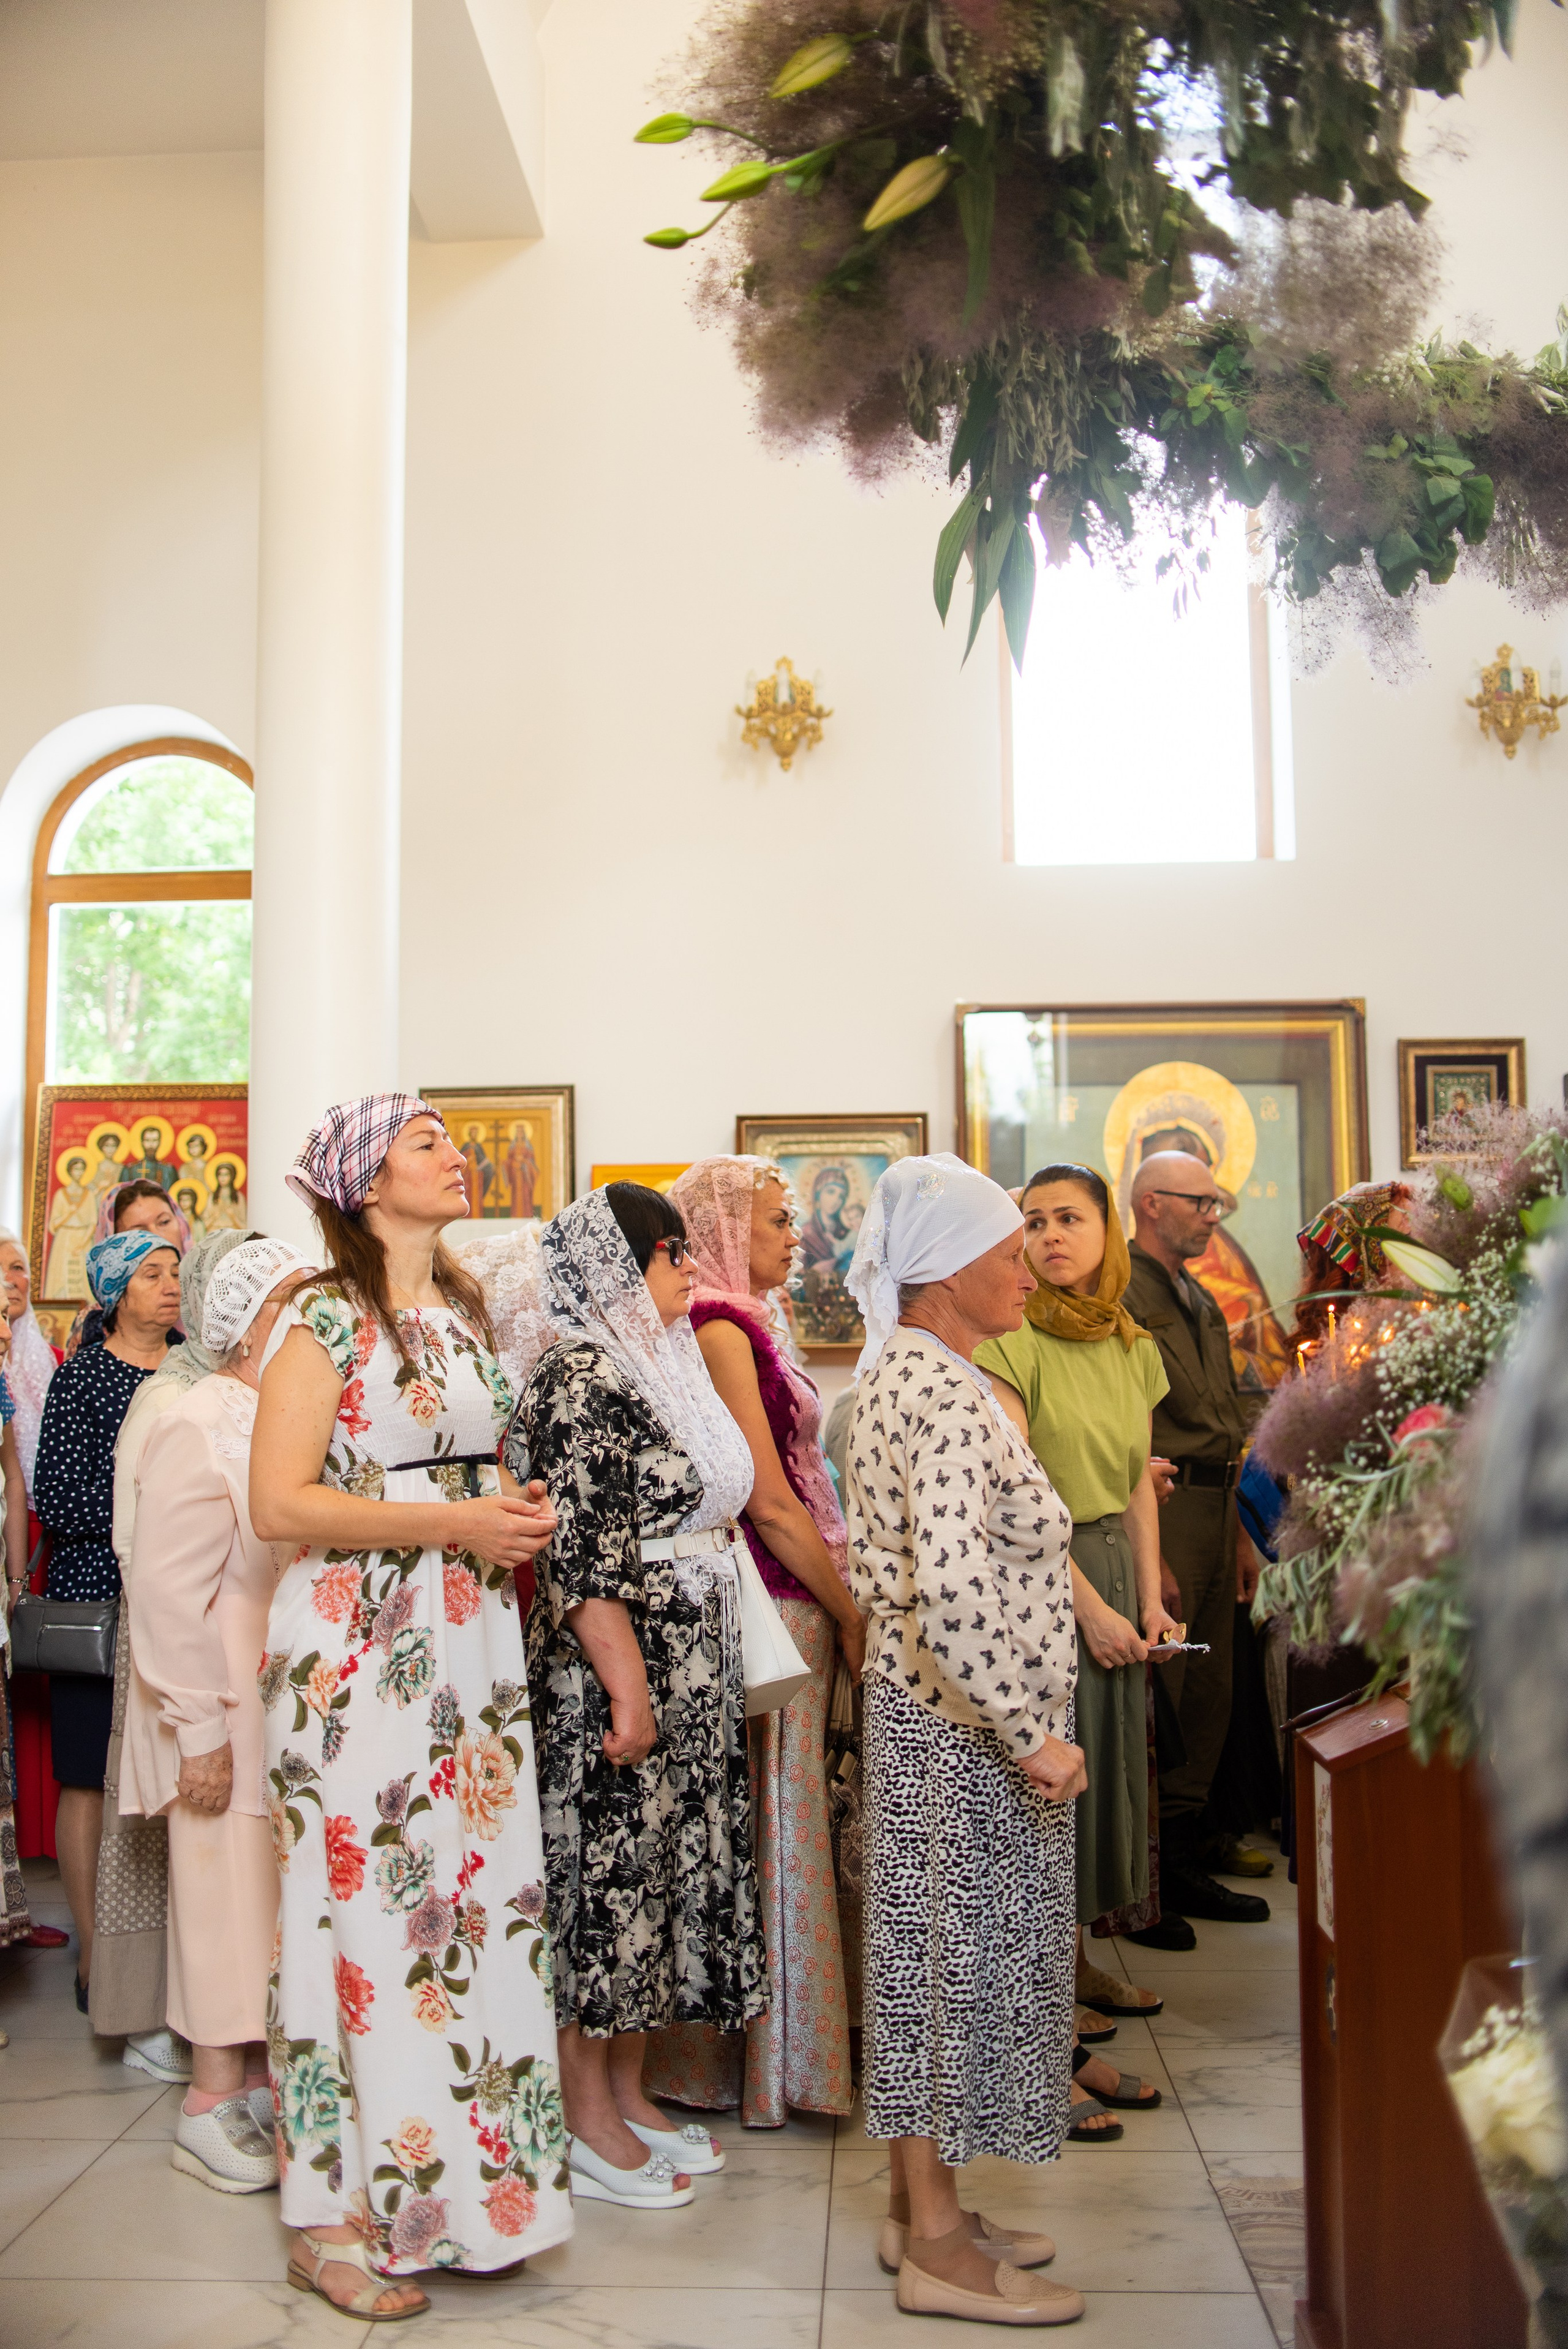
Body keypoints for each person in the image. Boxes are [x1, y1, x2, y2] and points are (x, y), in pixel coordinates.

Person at [249, 1094, 568, 2318]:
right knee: (362, 1914)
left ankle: (466, 2199)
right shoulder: (321, 1316)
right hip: (356, 1645)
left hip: (467, 1634)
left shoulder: (466, 1310)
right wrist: (454, 1521)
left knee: (471, 1910)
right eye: (425, 1142)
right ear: (366, 1183)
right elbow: (278, 1502)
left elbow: (464, 1464)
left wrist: (510, 1509)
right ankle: (329, 2218)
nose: (453, 1154)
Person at [843, 1153, 1087, 2328]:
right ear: (945, 1274)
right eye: (1009, 1252)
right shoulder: (942, 1394)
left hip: (930, 1715)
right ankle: (939, 2250)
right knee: (947, 1974)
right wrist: (1031, 1730)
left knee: (926, 1964)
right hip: (958, 1727)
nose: (1030, 1269)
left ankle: (917, 2211)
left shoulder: (913, 1371)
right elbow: (951, 1589)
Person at [508, 1183, 765, 2210]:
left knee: (653, 1880)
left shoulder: (653, 1360)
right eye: (670, 1251)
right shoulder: (579, 1375)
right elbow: (581, 1558)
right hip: (615, 1669)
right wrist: (628, 1691)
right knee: (604, 1881)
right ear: (619, 1264)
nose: (690, 1268)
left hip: (681, 1660)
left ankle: (625, 2087)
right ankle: (582, 2112)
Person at [642, 1156, 860, 2128]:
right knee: (777, 1821)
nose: (795, 1235)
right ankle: (776, 2062)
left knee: (782, 1815)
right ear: (726, 1230)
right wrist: (847, 1611)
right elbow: (769, 1501)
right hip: (776, 1596)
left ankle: (779, 2051)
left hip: (802, 1585)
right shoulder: (722, 1330)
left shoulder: (754, 1323)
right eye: (776, 1218)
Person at [975, 1164, 1178, 2070]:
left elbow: (1135, 1481)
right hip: (1043, 1575)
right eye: (1034, 1220)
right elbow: (1013, 1497)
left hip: (1112, 1564)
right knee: (1058, 1775)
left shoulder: (1133, 1343)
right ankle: (1047, 1985)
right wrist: (1089, 1608)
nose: (1051, 1235)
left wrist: (1150, 1597)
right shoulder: (1010, 1340)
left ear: (1108, 1232)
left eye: (1070, 1217)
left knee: (1113, 1771)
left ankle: (1082, 1961)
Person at [124, 1237, 311, 2194]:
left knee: (266, 1902)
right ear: (246, 1324)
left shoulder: (284, 1413)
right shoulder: (196, 1419)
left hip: (280, 1689)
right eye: (292, 1303)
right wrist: (197, 1727)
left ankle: (264, 2082)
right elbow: (165, 1591)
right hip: (216, 1688)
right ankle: (208, 2097)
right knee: (216, 1896)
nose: (310, 1320)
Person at [93, 1229, 265, 2075]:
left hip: (235, 1651)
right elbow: (144, 1551)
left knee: (231, 1878)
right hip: (181, 1647)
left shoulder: (257, 1400)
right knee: (191, 1867)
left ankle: (242, 2056)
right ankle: (186, 2052)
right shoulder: (175, 1402)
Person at [33, 1231, 183, 2008]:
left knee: (174, 1775)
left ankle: (163, 1955)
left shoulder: (195, 1370)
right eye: (151, 1275)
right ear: (116, 1293)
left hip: (182, 1599)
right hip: (99, 1597)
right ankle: (95, 1950)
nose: (170, 1285)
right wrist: (151, 1512)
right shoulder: (83, 1377)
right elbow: (57, 1496)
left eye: (176, 1272)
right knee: (89, 1775)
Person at [1123, 1154, 1268, 1929]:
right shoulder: (1122, 1291)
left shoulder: (1200, 1296)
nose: (1214, 1216)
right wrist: (1153, 1554)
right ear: (1151, 1203)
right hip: (1166, 1501)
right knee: (1170, 1684)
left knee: (1210, 1683)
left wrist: (1241, 1534)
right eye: (1200, 1202)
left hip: (1216, 1504)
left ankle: (1189, 1842)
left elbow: (1226, 1420)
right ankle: (1156, 1870)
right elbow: (1132, 1425)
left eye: (1218, 1203)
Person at [0, 1227, 69, 1890]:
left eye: (19, 1269)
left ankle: (46, 1836)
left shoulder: (50, 1358)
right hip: (11, 1528)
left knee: (42, 1675)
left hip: (42, 1534)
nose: (11, 1282)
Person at [43, 1154, 97, 1299]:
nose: (79, 1173)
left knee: (83, 1280)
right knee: (62, 1279)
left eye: (81, 1169)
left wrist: (82, 1244)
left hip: (83, 1239)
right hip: (64, 1239)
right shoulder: (61, 1195)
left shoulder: (89, 1195)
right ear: (70, 1171)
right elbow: (53, 1225)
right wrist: (68, 1214)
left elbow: (93, 1222)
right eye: (76, 1169)